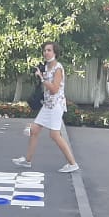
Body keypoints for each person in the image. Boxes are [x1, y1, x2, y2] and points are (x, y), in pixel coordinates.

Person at [13, 41, 79, 173]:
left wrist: (42, 79)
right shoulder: (47, 67)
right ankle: (27, 161)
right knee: (34, 130)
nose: (46, 53)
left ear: (55, 52)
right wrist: (41, 75)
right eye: (44, 50)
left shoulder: (58, 68)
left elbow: (54, 89)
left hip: (56, 105)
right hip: (47, 105)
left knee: (54, 135)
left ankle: (72, 163)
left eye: (49, 50)